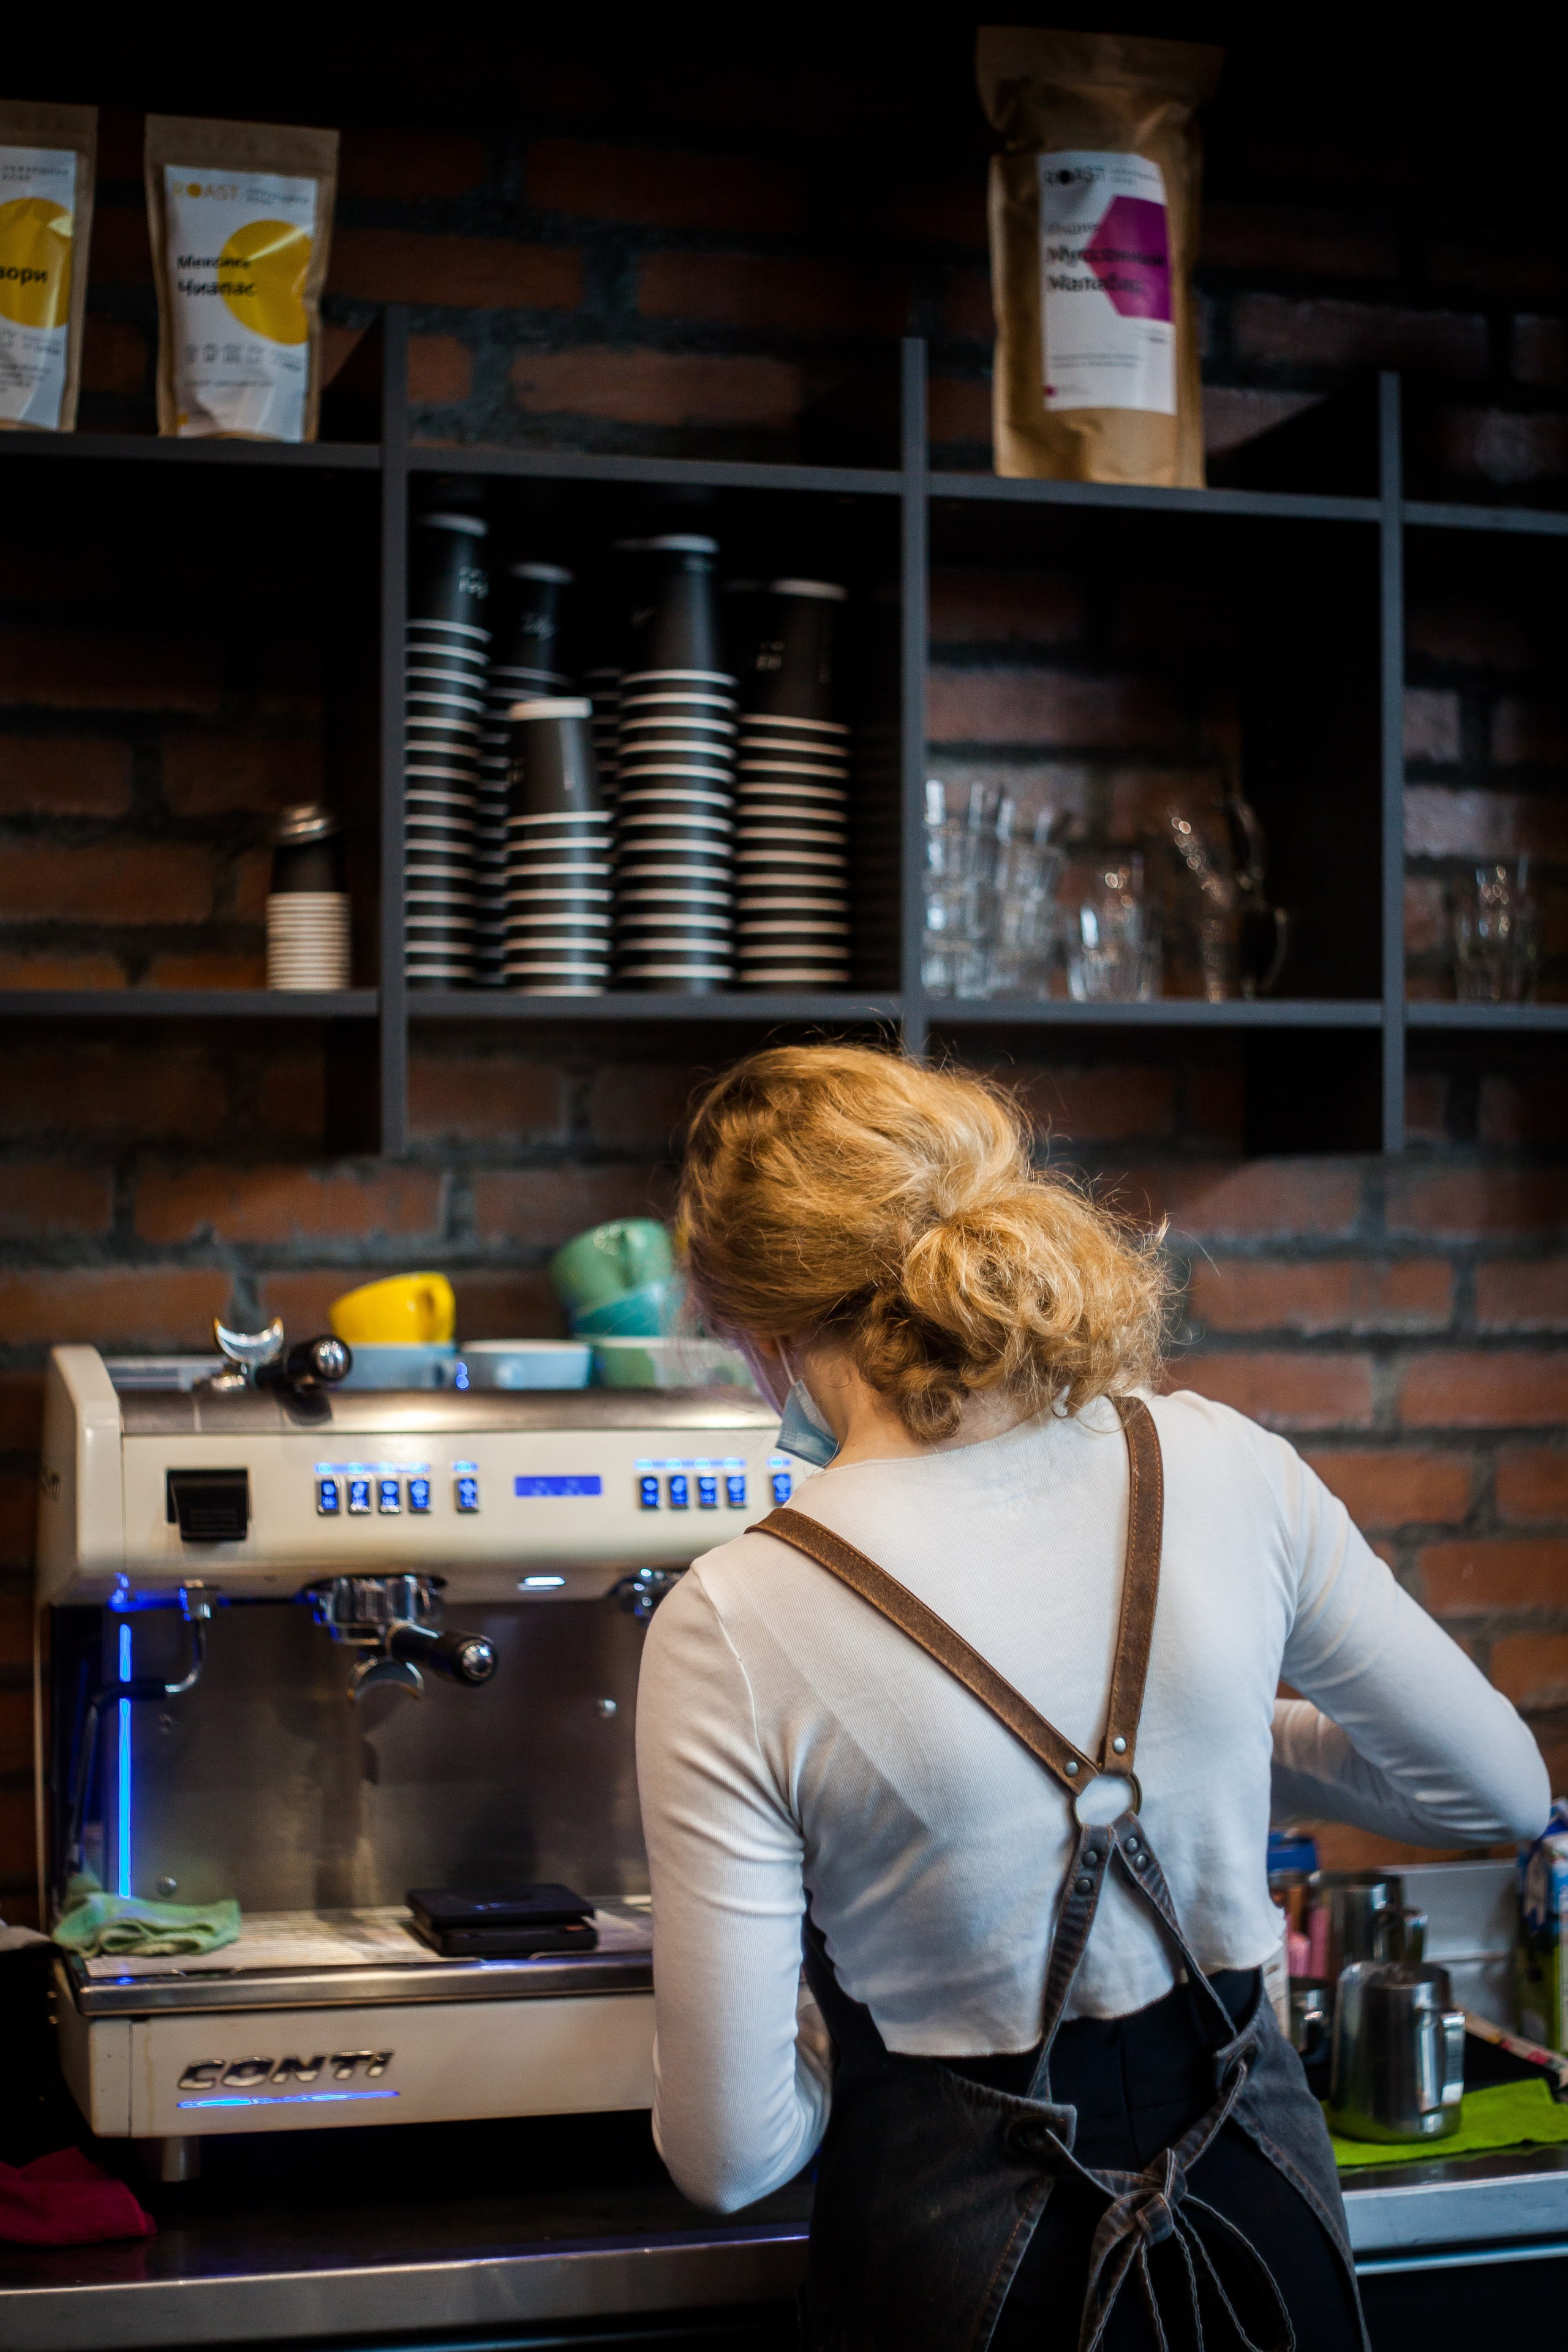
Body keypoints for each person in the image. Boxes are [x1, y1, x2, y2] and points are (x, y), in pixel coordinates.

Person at [635, 1045, 1547, 2352]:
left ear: (751, 1327)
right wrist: (1221, 1745)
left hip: (958, 2286)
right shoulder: (1221, 1462)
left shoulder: (730, 1615)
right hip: (1262, 2241)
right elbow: (1494, 1789)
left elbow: (730, 2160)